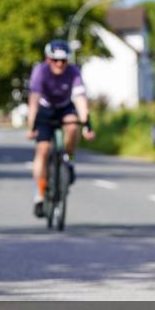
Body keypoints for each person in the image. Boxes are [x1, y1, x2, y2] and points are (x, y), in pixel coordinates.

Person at [26, 40, 94, 217]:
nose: (59, 64)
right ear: (47, 59)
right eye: (55, 60)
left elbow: (80, 100)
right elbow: (34, 100)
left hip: (64, 107)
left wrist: (87, 124)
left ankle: (68, 161)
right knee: (43, 150)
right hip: (45, 109)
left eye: (63, 60)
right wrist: (31, 126)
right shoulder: (40, 71)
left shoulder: (73, 72)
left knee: (72, 128)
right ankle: (40, 194)